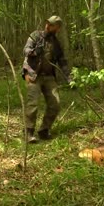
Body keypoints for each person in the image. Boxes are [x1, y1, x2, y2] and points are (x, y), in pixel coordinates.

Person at [21, 15, 71, 143]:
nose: (48, 26)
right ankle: (29, 132)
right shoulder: (36, 36)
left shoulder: (56, 43)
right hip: (33, 75)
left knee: (55, 104)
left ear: (57, 28)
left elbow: (62, 61)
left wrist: (69, 77)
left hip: (49, 77)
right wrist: (35, 52)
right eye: (47, 23)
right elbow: (26, 50)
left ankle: (44, 130)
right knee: (32, 104)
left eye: (52, 25)